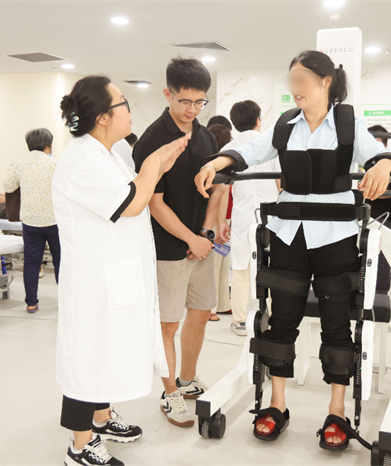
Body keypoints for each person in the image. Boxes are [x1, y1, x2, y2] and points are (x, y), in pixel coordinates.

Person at [194, 50, 391, 449]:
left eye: (302, 80)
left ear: (325, 82)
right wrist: (217, 162)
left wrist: (383, 165)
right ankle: (277, 404)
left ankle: (337, 411)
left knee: (337, 324)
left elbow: (382, 156)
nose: (295, 89)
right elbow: (251, 151)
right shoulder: (285, 124)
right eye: (292, 81)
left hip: (336, 238)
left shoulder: (347, 124)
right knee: (281, 321)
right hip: (289, 236)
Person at [53, 74, 187, 466]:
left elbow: (135, 189)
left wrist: (156, 166)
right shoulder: (81, 160)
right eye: (123, 104)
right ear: (103, 117)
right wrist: (153, 164)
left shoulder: (109, 153)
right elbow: (131, 203)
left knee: (107, 351)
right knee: (87, 358)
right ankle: (80, 446)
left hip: (115, 275)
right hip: (92, 282)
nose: (130, 110)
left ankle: (102, 417)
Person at [132, 57, 223, 428]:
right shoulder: (152, 140)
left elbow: (217, 189)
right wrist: (189, 238)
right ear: (167, 94)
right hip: (168, 248)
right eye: (185, 101)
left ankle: (187, 379)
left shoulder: (207, 136)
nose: (192, 109)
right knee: (168, 324)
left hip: (202, 243)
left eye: (200, 102)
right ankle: (169, 393)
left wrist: (206, 233)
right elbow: (153, 203)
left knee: (200, 313)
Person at [223, 100, 281, 337]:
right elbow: (280, 183)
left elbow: (222, 190)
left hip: (242, 214)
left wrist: (221, 221)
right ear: (258, 120)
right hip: (270, 213)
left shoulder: (229, 148)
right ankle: (273, 316)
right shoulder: (271, 145)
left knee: (240, 265)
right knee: (272, 264)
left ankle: (239, 320)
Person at [3, 128, 59, 313]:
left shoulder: (19, 164)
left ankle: (31, 303)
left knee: (32, 263)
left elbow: (8, 186)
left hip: (30, 221)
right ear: (48, 145)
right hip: (55, 220)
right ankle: (65, 301)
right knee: (60, 262)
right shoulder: (56, 163)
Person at [367, 124, 391, 293]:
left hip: (383, 218)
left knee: (381, 257)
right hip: (369, 217)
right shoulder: (372, 163)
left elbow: (386, 193)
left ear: (377, 140)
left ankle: (380, 294)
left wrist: (362, 190)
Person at [207, 124, 233, 322]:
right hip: (219, 218)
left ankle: (223, 303)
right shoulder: (217, 164)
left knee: (223, 264)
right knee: (216, 264)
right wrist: (219, 222)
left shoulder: (221, 162)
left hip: (225, 218)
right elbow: (221, 193)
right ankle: (211, 307)